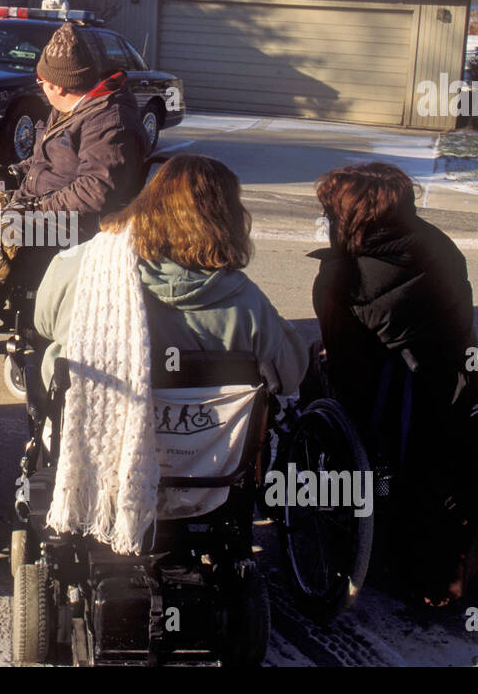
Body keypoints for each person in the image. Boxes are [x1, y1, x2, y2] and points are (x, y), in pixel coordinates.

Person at [31, 154, 307, 554]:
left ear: (150, 201)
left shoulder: (83, 264)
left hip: (95, 461)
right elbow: (291, 374)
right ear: (229, 217)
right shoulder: (246, 300)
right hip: (206, 479)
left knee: (52, 355)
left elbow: (44, 323)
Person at [307, 160, 478, 605]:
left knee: (309, 363)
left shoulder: (341, 275)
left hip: (384, 405)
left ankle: (301, 492)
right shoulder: (442, 245)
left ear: (350, 218)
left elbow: (343, 363)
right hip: (449, 383)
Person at [0, 21, 147, 362]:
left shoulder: (110, 121)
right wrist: (9, 174)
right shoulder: (68, 106)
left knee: (2, 231)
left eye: (43, 83)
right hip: (36, 204)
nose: (40, 87)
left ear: (61, 86)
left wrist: (37, 209)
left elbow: (96, 190)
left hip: (76, 223)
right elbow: (43, 164)